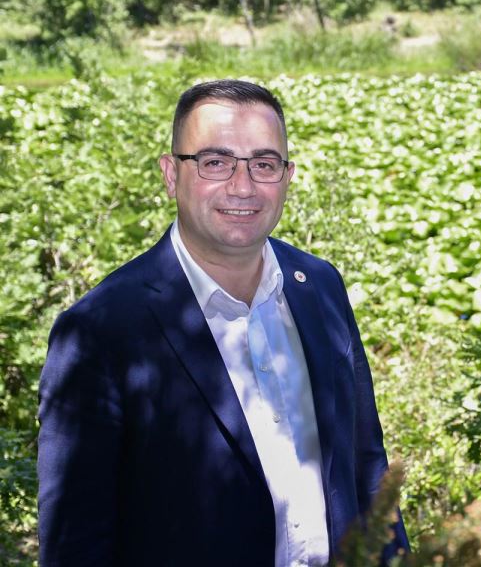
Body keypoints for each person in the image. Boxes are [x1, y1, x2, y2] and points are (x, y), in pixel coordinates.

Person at [37, 79, 409, 566]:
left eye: (264, 164)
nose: (243, 185)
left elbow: (365, 465)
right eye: (215, 162)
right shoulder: (100, 332)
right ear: (172, 175)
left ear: (287, 176)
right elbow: (75, 542)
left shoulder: (319, 287)